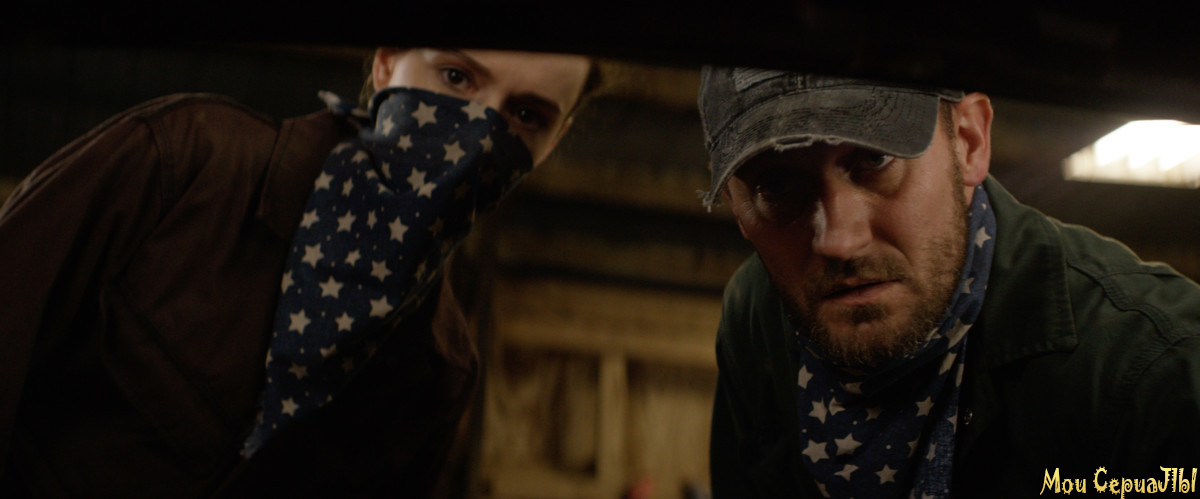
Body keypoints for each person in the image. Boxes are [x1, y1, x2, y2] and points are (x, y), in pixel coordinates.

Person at [0, 46, 599, 497]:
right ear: (387, 63)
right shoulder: (185, 163)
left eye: (526, 114)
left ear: (555, 141)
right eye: (456, 77)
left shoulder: (439, 372)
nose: (481, 132)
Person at [698, 67, 1200, 498]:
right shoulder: (757, 318)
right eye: (777, 185)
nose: (840, 241)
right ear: (736, 207)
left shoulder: (1154, 376)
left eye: (875, 159)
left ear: (969, 142)